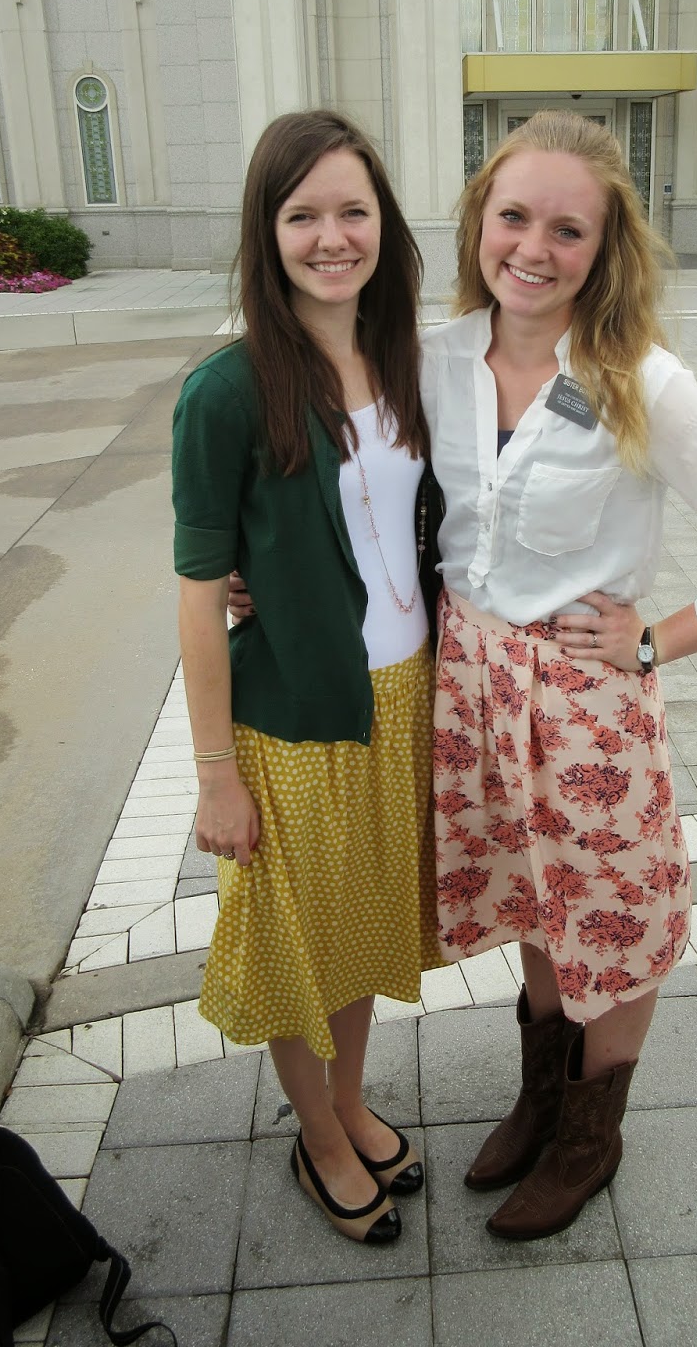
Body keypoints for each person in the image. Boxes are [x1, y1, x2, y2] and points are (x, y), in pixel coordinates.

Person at [422, 110, 697, 1241]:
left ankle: (591, 1138)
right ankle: (541, 1100)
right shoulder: (436, 360)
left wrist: (656, 640)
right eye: (514, 216)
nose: (533, 249)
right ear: (480, 221)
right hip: (473, 688)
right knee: (535, 899)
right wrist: (250, 581)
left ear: (604, 250)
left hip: (582, 706)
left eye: (568, 230)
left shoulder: (638, 380)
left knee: (611, 915)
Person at [171, 109, 443, 1247]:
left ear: (384, 223)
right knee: (296, 941)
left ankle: (350, 1100)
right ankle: (319, 1135)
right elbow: (197, 593)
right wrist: (215, 774)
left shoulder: (408, 361)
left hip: (405, 696)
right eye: (303, 215)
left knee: (365, 920)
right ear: (266, 230)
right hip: (293, 720)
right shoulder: (227, 391)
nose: (333, 237)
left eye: (353, 211)